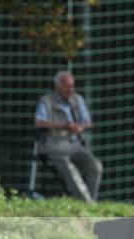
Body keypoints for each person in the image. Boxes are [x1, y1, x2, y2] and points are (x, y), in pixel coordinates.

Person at [35, 70, 102, 203]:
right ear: (57, 86)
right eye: (67, 86)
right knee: (69, 169)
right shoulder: (46, 101)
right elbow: (39, 122)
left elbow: (88, 122)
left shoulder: (77, 99)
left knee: (95, 166)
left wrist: (80, 127)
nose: (70, 89)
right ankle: (88, 204)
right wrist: (64, 126)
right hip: (54, 145)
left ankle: (89, 201)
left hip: (75, 144)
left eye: (72, 86)